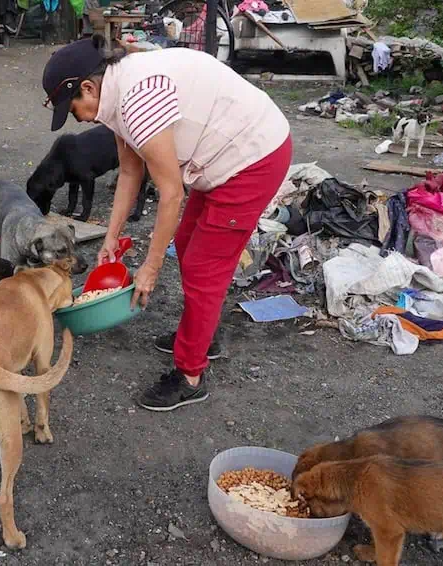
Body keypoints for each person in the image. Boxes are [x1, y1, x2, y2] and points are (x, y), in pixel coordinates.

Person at [41, 36, 292, 411]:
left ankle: (190, 375)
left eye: (72, 106)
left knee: (204, 266)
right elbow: (129, 171)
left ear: (89, 86)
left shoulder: (137, 101)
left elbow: (171, 193)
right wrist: (111, 238)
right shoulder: (119, 91)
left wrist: (150, 267)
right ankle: (201, 334)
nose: (75, 117)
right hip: (222, 155)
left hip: (251, 157)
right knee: (190, 245)